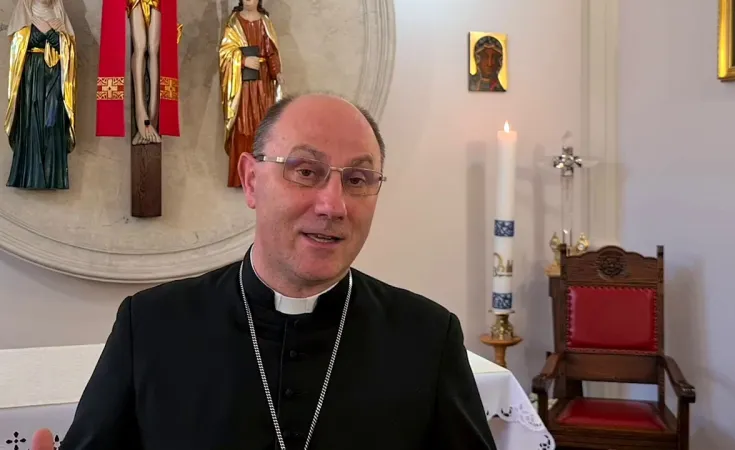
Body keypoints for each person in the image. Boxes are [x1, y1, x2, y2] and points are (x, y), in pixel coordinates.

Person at [39, 93, 496, 450]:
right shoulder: (151, 325)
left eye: (357, 180)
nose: (333, 205)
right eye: (306, 172)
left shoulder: (427, 337)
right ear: (252, 181)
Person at [5, 0, 77, 189]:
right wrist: (41, 29)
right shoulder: (25, 10)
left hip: (55, 75)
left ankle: (53, 175)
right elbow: (17, 43)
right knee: (32, 119)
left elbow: (69, 48)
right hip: (32, 74)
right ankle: (30, 175)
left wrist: (53, 33)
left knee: (52, 121)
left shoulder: (58, 12)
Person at [219, 0, 285, 188]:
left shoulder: (265, 22)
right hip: (243, 87)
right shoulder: (234, 22)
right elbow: (225, 53)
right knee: (243, 128)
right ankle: (241, 176)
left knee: (263, 127)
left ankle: (264, 176)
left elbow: (271, 52)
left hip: (264, 85)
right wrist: (243, 61)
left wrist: (277, 72)